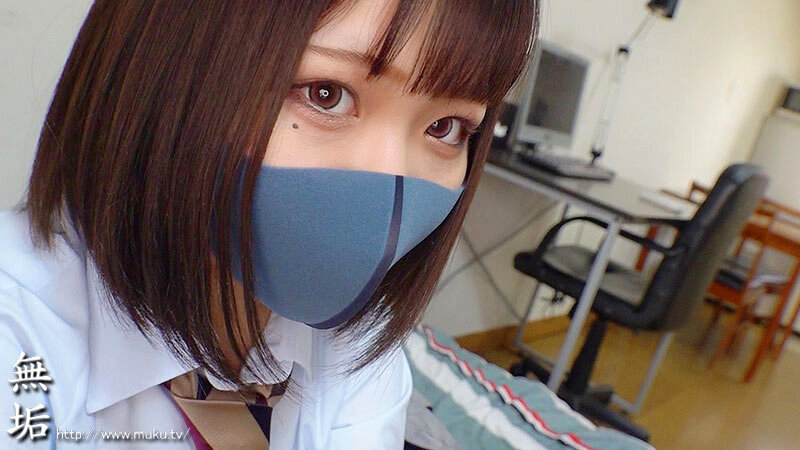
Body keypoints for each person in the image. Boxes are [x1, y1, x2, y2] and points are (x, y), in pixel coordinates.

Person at [0, 0, 537, 448]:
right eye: (326, 93)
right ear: (160, 70)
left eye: (446, 128)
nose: (390, 176)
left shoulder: (360, 348)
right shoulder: (19, 342)